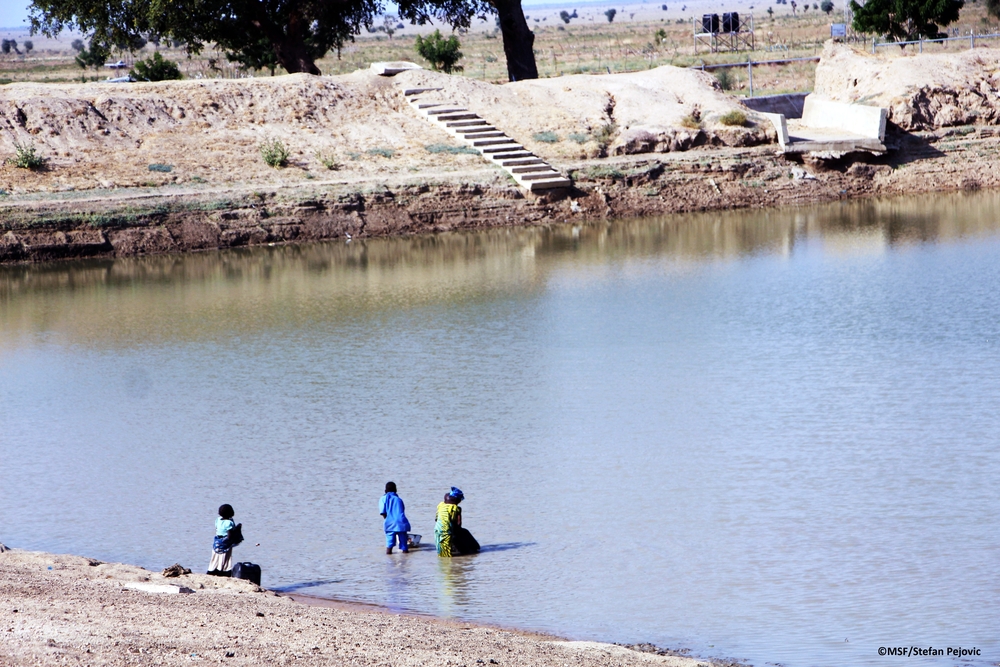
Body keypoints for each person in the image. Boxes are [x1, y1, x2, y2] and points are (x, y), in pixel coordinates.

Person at [207, 504, 241, 576]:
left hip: (216, 542)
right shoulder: (229, 523)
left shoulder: (218, 520)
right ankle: (223, 571)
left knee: (215, 558)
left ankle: (212, 570)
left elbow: (217, 529)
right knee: (225, 558)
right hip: (225, 543)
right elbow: (229, 535)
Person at [380, 482, 411, 554]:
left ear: (385, 491)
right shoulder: (399, 499)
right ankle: (405, 562)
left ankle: (389, 561)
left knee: (389, 546)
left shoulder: (383, 499)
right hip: (401, 523)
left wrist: (387, 520)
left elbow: (383, 512)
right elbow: (402, 511)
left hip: (390, 523)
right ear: (396, 490)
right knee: (404, 546)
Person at [435, 487, 464, 557]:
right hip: (446, 529)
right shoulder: (456, 508)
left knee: (440, 548)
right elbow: (458, 523)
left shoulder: (440, 506)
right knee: (446, 551)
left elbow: (436, 519)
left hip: (437, 528)